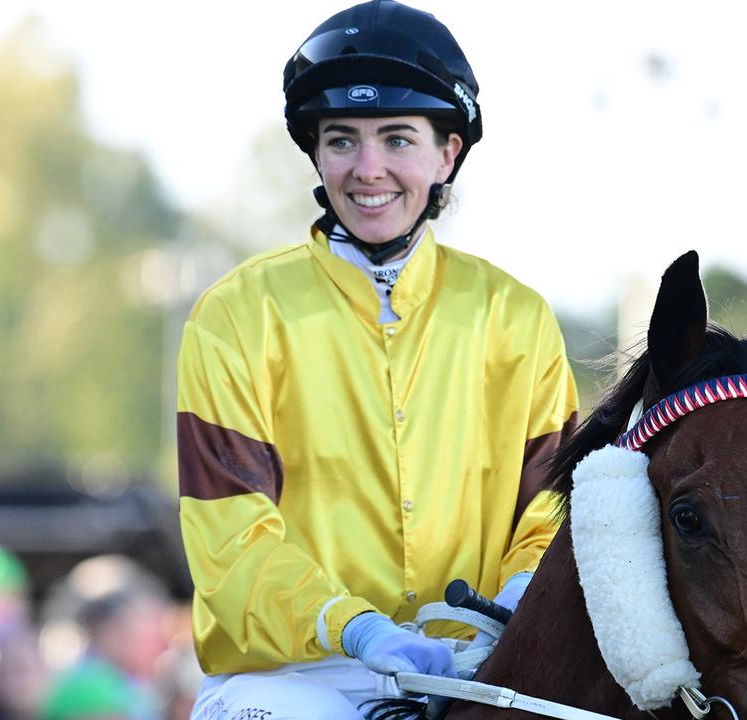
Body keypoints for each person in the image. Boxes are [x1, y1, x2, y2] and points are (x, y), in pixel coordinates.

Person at [176, 1, 579, 717]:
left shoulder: (516, 317)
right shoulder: (235, 316)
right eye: (342, 141)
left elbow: (550, 509)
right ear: (315, 152)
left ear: (446, 153)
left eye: (397, 140)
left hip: (476, 666)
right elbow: (231, 540)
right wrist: (354, 627)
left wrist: (516, 598)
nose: (368, 171)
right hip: (294, 678)